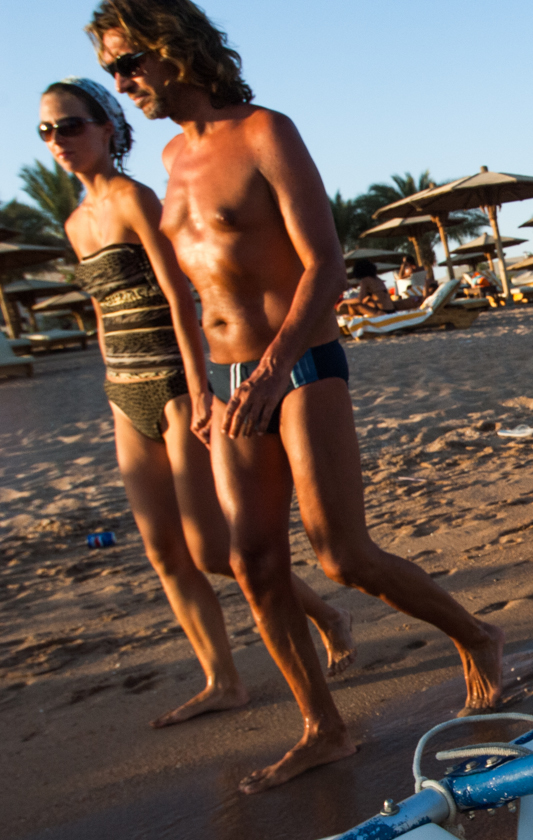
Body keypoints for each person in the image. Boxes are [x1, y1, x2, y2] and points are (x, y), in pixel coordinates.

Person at [89, 0, 504, 793]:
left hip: (301, 362)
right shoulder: (171, 161)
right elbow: (186, 294)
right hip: (224, 383)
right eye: (112, 69)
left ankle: (477, 636)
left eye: (128, 62)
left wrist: (276, 366)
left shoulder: (265, 132)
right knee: (252, 562)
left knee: (341, 553)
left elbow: (326, 263)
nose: (121, 81)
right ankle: (324, 727)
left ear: (174, 50)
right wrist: (204, 394)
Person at [41, 74, 356, 730]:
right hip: (122, 390)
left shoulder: (137, 200)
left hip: (178, 381)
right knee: (163, 552)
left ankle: (325, 614)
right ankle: (222, 678)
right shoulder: (75, 223)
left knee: (216, 550)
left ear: (106, 127)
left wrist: (197, 390)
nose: (58, 140)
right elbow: (104, 315)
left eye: (70, 125)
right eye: (46, 131)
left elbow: (184, 299)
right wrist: (110, 388)